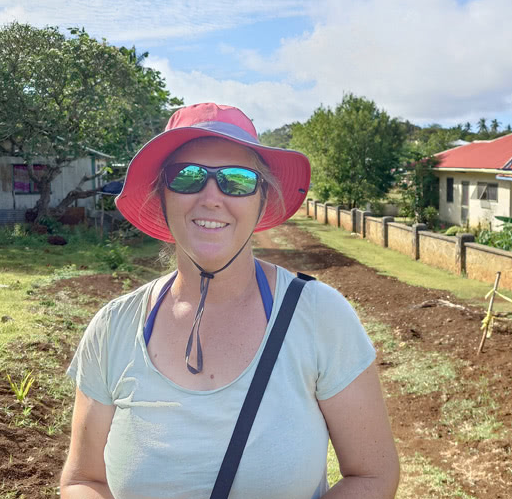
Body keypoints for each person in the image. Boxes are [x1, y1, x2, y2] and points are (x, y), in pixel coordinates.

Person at [60, 103, 399, 498]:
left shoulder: (319, 317)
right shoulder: (112, 329)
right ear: (162, 196)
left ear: (261, 200)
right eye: (186, 177)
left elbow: (373, 476)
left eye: (237, 180)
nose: (210, 197)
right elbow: (84, 479)